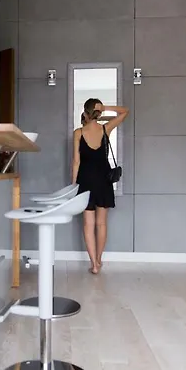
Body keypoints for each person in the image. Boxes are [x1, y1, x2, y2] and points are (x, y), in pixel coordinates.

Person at [71, 98, 129, 274]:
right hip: (103, 180)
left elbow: (76, 162)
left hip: (85, 180)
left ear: (85, 112)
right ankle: (98, 259)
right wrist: (105, 108)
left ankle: (94, 265)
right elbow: (125, 111)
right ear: (99, 113)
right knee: (101, 224)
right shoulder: (106, 129)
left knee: (88, 224)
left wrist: (73, 185)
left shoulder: (78, 133)